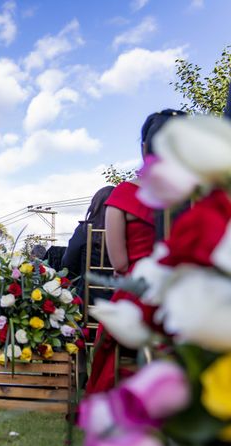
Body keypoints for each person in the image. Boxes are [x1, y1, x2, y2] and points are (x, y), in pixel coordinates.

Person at [86, 109, 185, 394]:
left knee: (116, 326)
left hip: (141, 298)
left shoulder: (124, 195)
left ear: (144, 147)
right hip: (188, 298)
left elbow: (119, 262)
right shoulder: (200, 195)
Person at [61, 186, 115, 301]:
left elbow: (68, 263)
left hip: (88, 298)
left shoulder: (84, 230)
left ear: (94, 205)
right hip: (118, 298)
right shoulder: (125, 231)